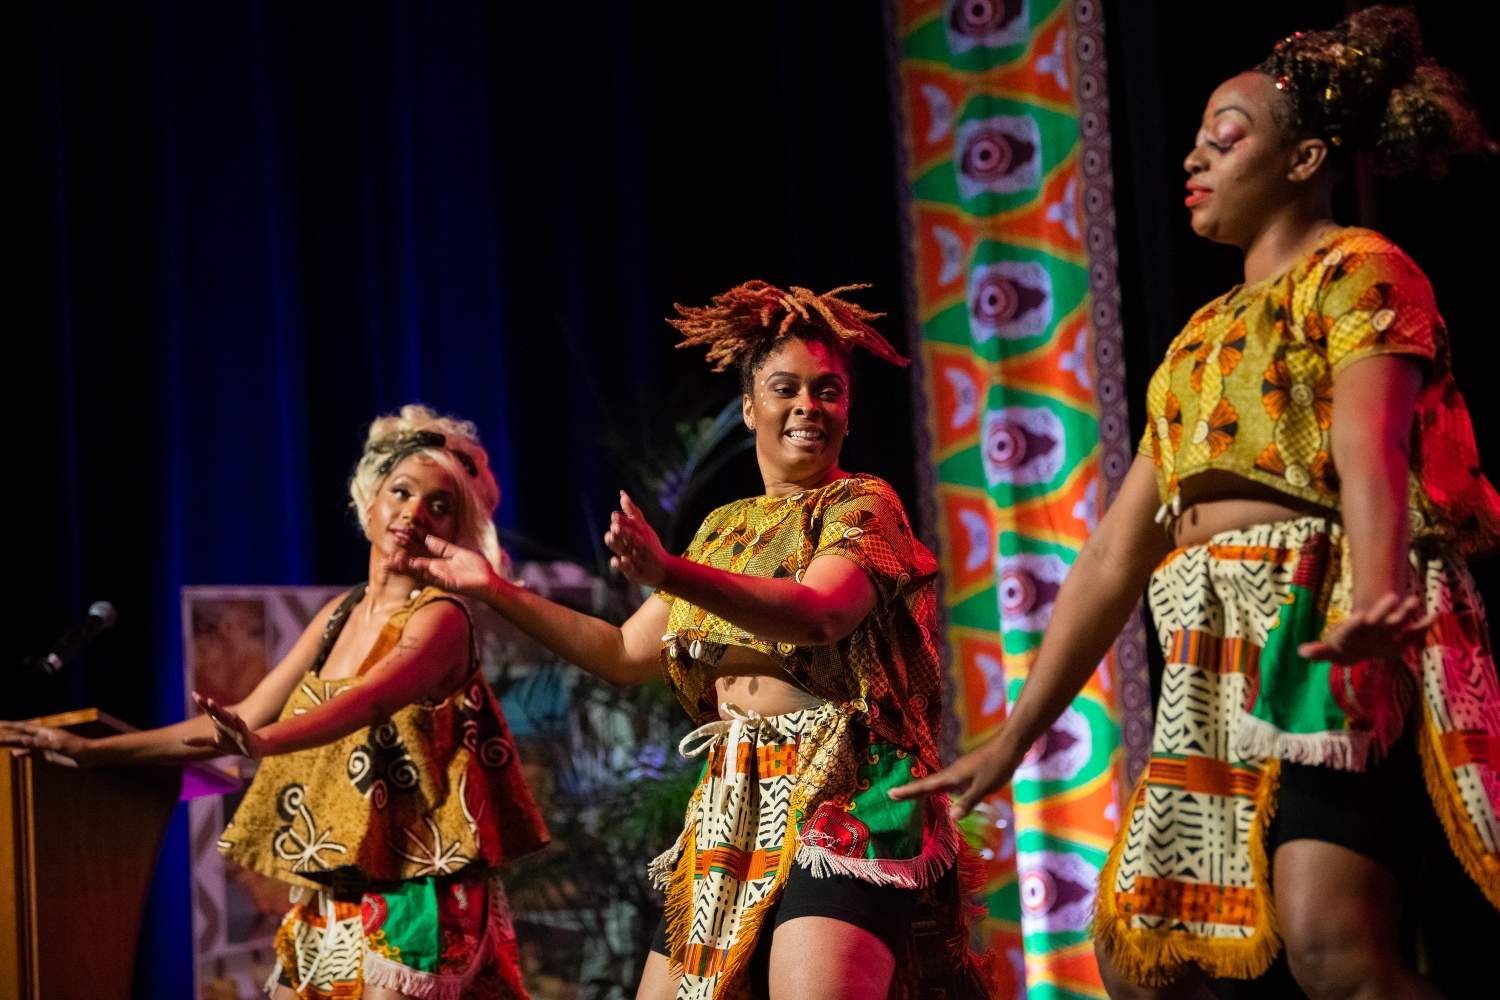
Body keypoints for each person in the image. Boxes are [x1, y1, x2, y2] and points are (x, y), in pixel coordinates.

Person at [894, 7, 1500, 998]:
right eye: (1199, 137)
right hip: (1211, 650)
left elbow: (1371, 438)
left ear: (1305, 158)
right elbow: (1110, 557)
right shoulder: (1198, 337)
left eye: (1228, 136)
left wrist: (1375, 595)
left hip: (1323, 610)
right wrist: (1014, 734)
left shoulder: (1357, 269)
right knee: (1149, 962)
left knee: (1331, 941)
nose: (1195, 155)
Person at [400, 282, 983, 999]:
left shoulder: (862, 503)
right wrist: (493, 589)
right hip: (734, 798)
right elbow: (621, 654)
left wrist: (669, 571)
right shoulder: (723, 530)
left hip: (847, 791)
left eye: (828, 390)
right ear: (749, 408)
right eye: (785, 388)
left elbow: (820, 613)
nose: (808, 405)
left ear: (848, 411)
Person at [2, 404, 548, 1000]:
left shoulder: (442, 620)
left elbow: (366, 701)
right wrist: (93, 753)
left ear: (454, 532)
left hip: (415, 894)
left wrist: (261, 743)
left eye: (438, 505)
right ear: (369, 505)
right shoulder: (339, 613)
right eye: (401, 492)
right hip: (335, 885)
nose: (414, 512)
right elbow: (237, 722)